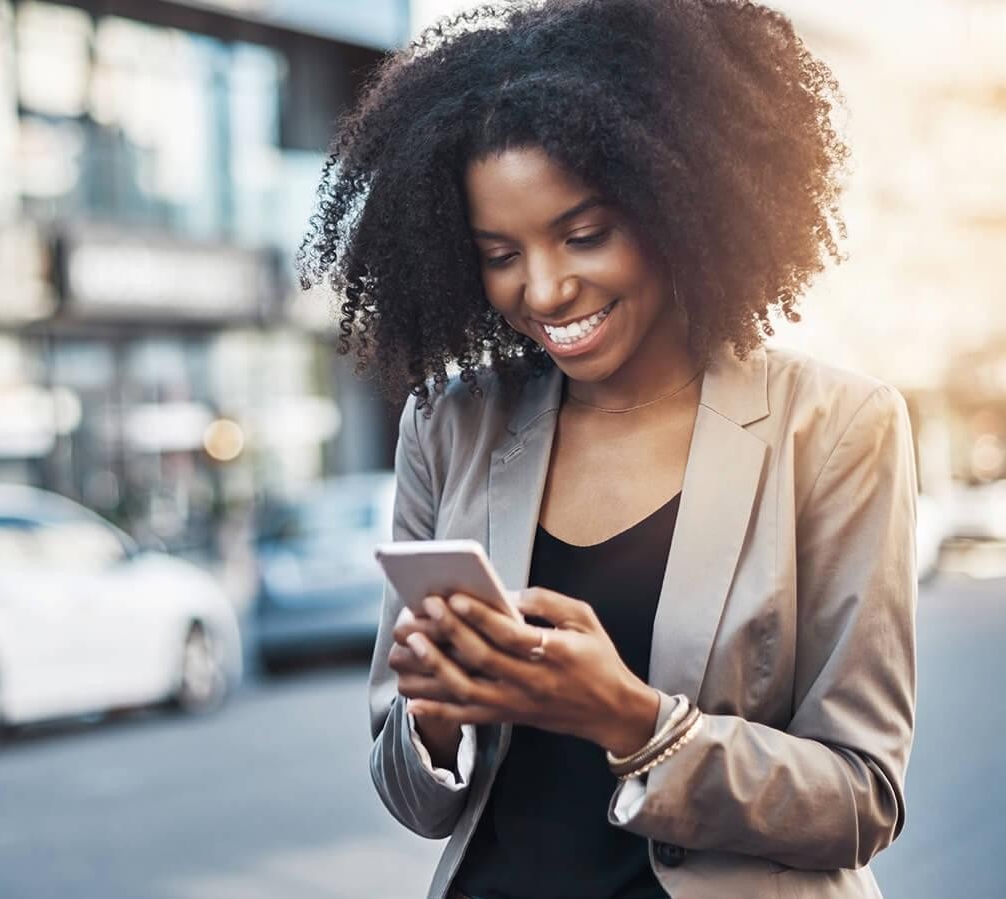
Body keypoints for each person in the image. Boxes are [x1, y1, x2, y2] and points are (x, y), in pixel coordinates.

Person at [296, 1, 917, 897]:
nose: (544, 288)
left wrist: (633, 720)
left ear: (678, 199)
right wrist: (431, 715)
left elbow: (863, 798)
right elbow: (415, 797)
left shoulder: (836, 429)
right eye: (499, 252)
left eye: (584, 235)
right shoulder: (449, 424)